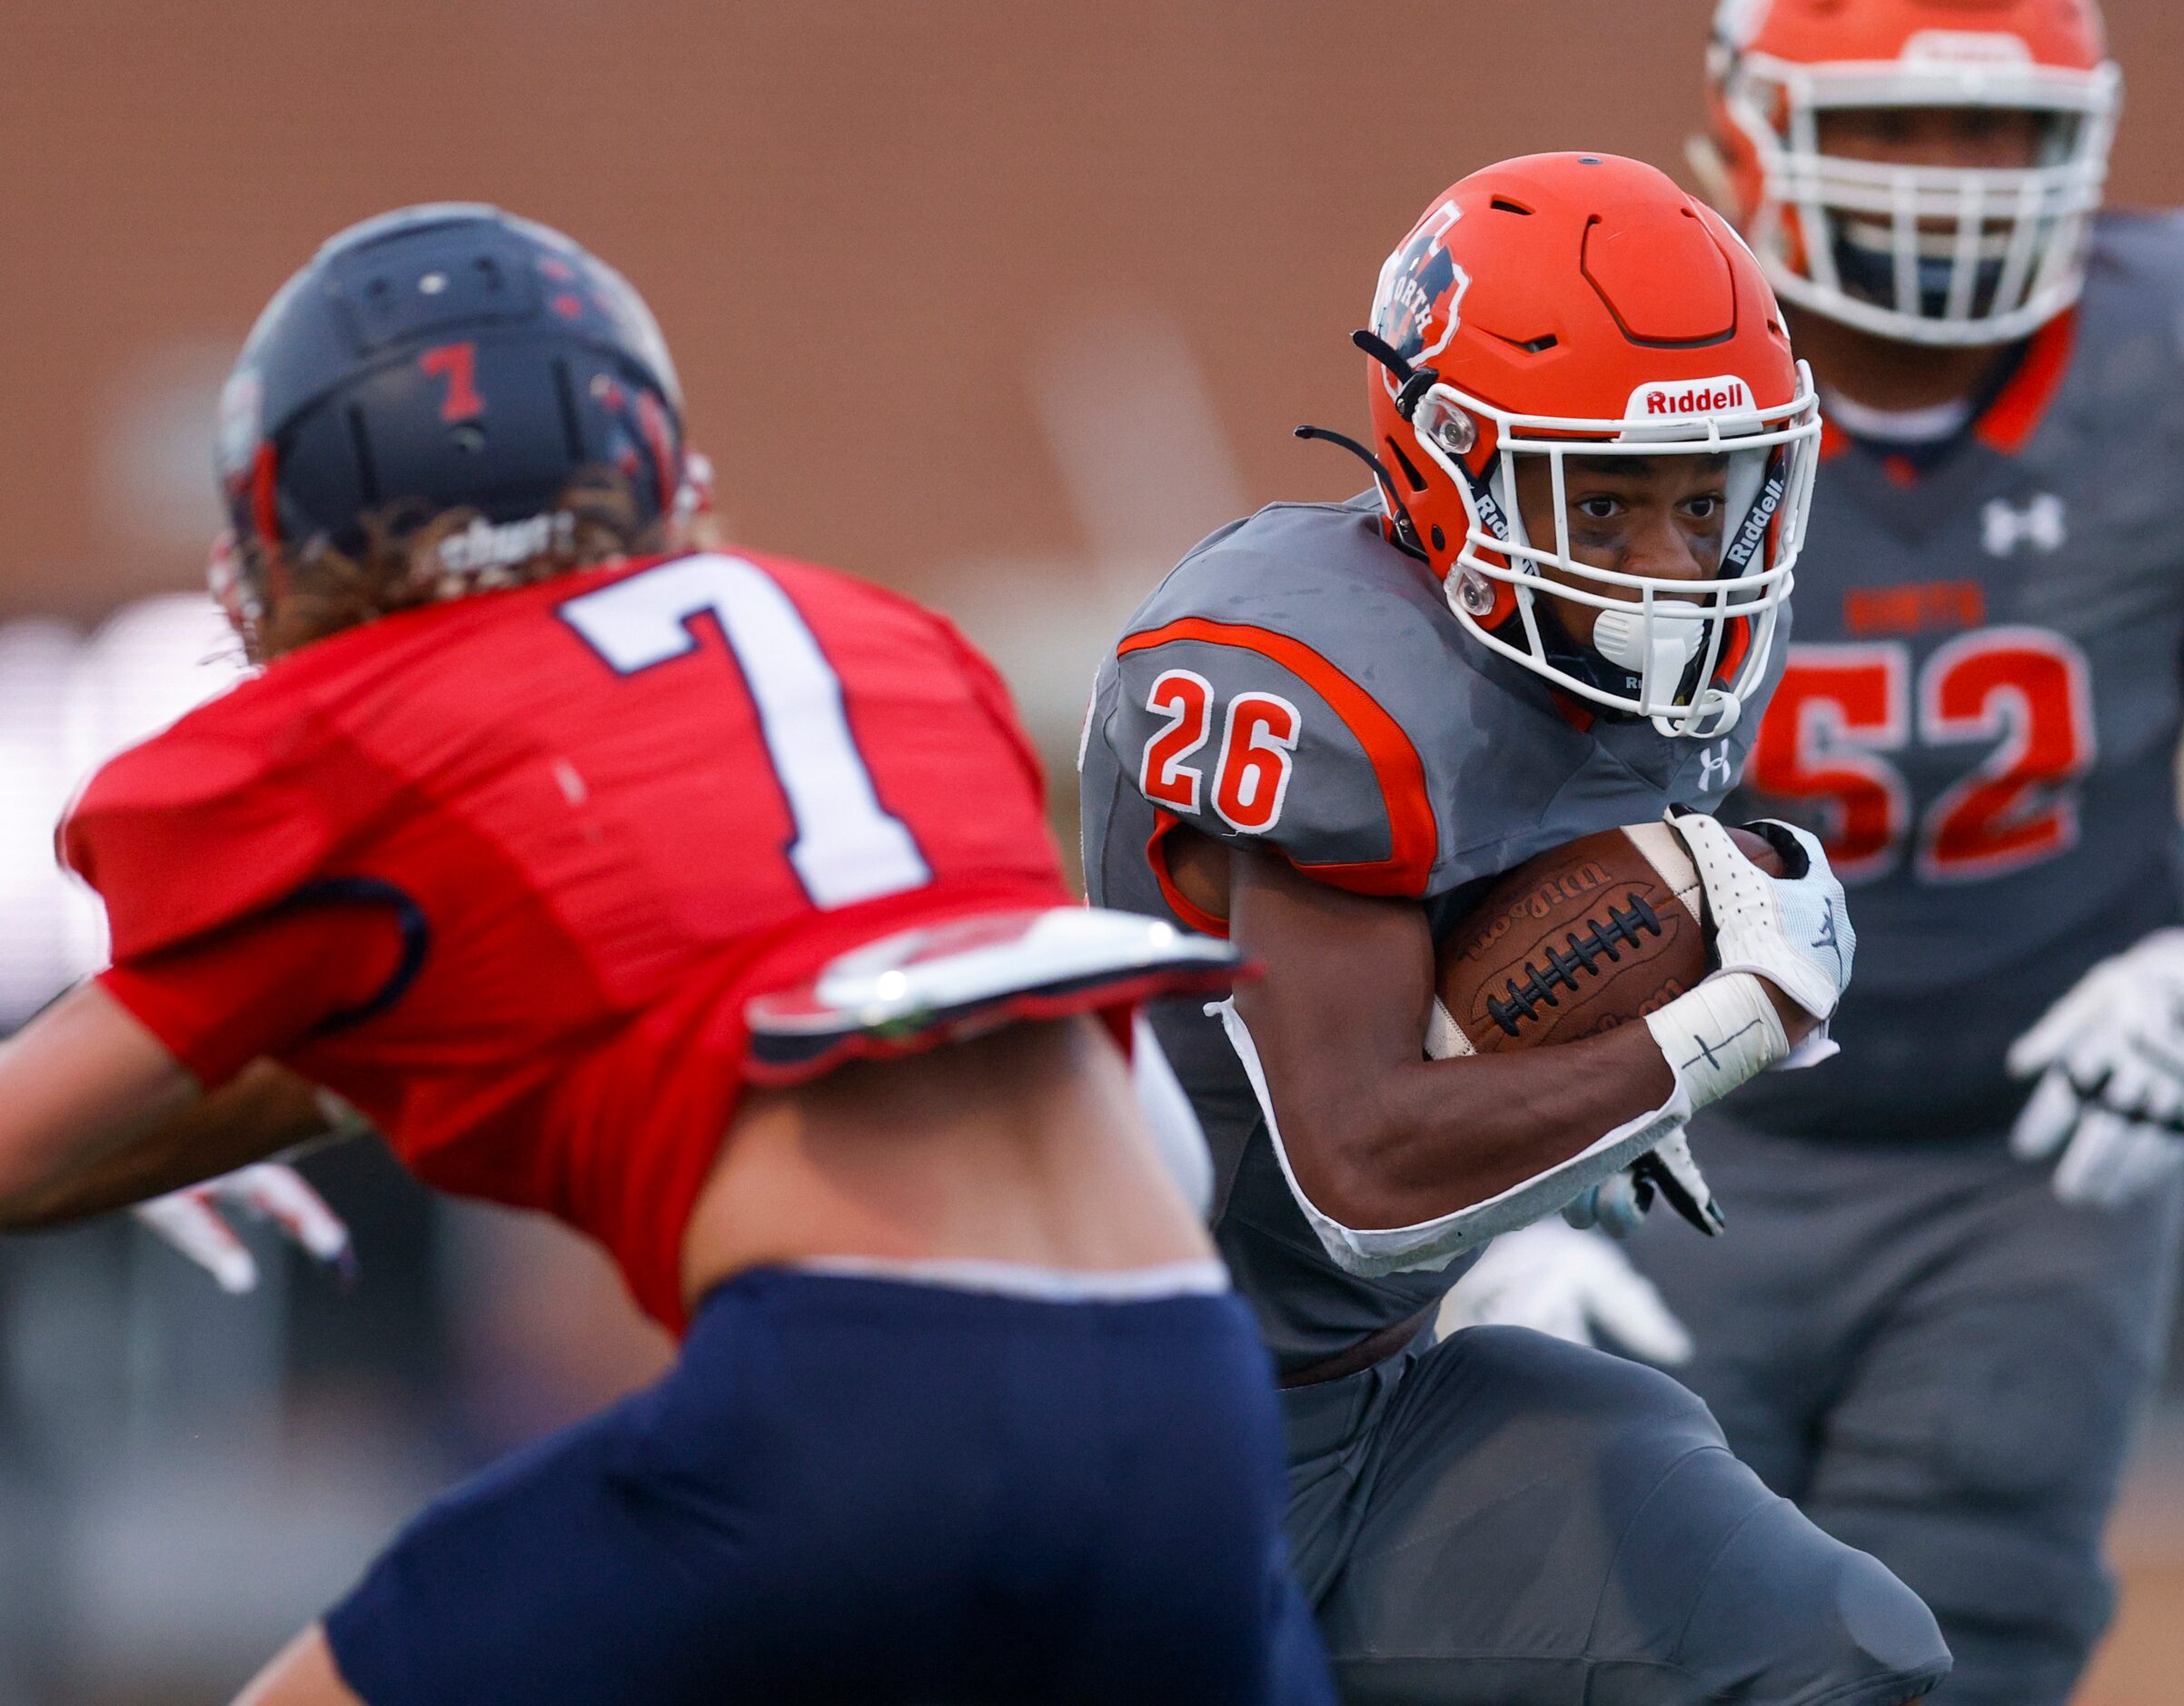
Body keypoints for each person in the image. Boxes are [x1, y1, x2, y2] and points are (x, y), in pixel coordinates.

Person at [0, 204, 1336, 1706]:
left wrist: (174, 1124)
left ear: (292, 525)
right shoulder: (881, 642)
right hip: (1186, 1394)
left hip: (859, 1401)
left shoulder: (372, 734)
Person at [1454, 5, 2184, 1702]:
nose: (1951, 183)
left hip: (2030, 1171)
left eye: (1998, 129)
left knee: (1966, 1644)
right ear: (1748, 123)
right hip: (1682, 1143)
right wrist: (1495, 1186)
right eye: (1894, 126)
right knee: (1616, 1637)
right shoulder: (1630, 366)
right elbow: (1476, 817)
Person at [1080, 151, 1952, 1705]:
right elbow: (1360, 1172)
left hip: (1376, 1397)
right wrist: (1717, 1025)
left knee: (1836, 1651)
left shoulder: (1637, 654)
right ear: (1447, 459)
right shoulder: (1315, 676)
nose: (1671, 566)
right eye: (1602, 499)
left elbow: (1496, 976)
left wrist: (1573, 1143)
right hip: (1148, 1448)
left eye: (1706, 498)